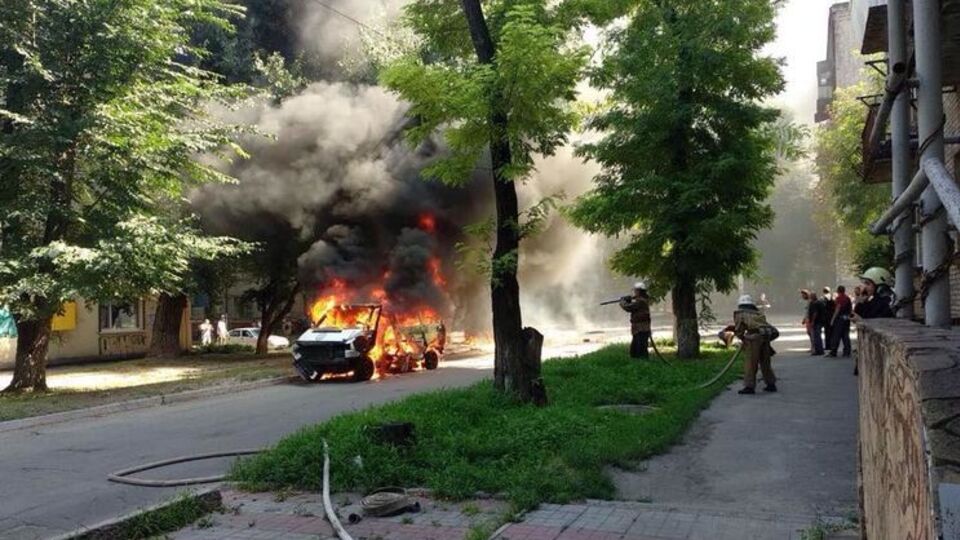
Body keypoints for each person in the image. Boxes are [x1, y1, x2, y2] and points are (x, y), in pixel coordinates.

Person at [724, 295, 778, 395]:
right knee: (765, 362)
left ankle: (749, 387)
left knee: (751, 363)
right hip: (764, 338)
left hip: (753, 339)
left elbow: (740, 329)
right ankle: (771, 384)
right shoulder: (758, 313)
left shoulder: (740, 313)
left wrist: (742, 338)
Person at [620, 282, 652, 359]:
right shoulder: (642, 300)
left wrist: (622, 301)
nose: (634, 292)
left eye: (635, 291)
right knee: (636, 349)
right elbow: (634, 308)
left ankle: (642, 363)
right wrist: (629, 300)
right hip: (640, 328)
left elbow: (629, 308)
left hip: (641, 329)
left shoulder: (641, 301)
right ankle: (640, 363)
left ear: (639, 291)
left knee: (639, 349)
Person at [828, 285, 852, 357]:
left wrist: (832, 320)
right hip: (846, 318)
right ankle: (847, 351)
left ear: (838, 291)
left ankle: (833, 351)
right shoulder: (847, 298)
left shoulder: (839, 298)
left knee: (836, 335)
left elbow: (837, 309)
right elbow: (850, 309)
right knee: (845, 335)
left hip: (840, 319)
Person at [821, 287, 835, 352]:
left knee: (827, 332)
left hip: (826, 316)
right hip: (831, 315)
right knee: (831, 332)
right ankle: (832, 345)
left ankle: (828, 346)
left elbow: (823, 307)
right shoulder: (832, 297)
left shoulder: (824, 298)